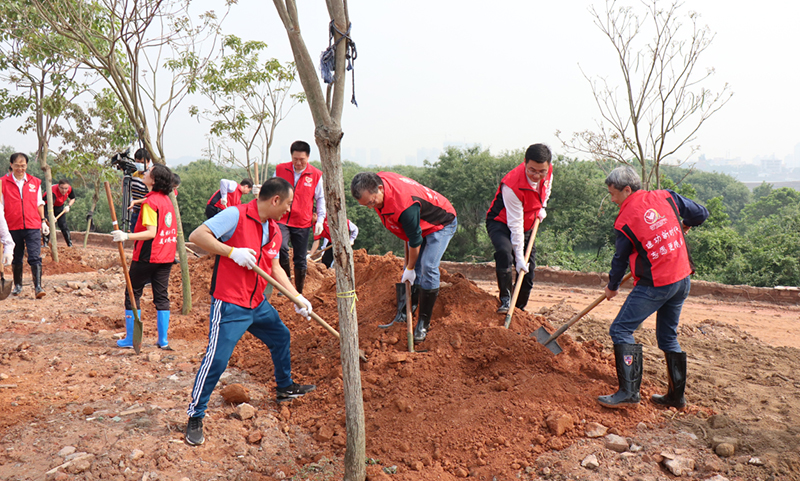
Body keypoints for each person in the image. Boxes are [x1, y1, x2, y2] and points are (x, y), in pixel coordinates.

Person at [184, 177, 316, 446]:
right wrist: (232, 252)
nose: (288, 210)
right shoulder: (235, 215)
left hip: (257, 302)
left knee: (281, 336)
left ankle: (284, 387)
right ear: (275, 200)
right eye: (288, 204)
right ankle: (195, 415)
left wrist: (297, 296)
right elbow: (197, 236)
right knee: (217, 360)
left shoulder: (275, 230)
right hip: (231, 303)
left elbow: (275, 268)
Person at [597, 166, 708, 409]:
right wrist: (686, 223)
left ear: (627, 190)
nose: (612, 199)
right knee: (668, 337)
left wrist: (612, 286)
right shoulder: (666, 196)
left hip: (656, 285)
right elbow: (701, 213)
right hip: (682, 280)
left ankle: (628, 393)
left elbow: (619, 260)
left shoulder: (625, 220)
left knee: (620, 330)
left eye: (613, 194)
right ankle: (676, 397)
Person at [351, 171, 457, 342]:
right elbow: (410, 236)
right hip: (418, 222)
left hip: (441, 222)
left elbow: (415, 241)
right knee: (412, 269)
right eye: (366, 205)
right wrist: (408, 269)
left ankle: (423, 322)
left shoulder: (404, 207)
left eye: (371, 202)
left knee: (427, 266)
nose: (371, 207)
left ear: (380, 188)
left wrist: (410, 268)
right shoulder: (377, 182)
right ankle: (404, 314)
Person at [110, 164, 178, 350]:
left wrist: (126, 236)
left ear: (154, 180)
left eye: (148, 172)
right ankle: (163, 341)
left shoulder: (150, 203)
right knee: (161, 296)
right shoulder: (166, 200)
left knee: (132, 293)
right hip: (167, 255)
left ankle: (132, 339)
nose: (145, 173)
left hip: (149, 255)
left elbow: (150, 233)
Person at [485, 144, 552, 314]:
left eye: (541, 171)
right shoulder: (512, 185)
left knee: (527, 274)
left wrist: (542, 206)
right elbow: (515, 224)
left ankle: (518, 310)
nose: (537, 175)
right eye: (532, 170)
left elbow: (547, 188)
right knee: (505, 252)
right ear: (524, 163)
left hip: (528, 223)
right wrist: (519, 257)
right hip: (501, 222)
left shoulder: (548, 171)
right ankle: (506, 299)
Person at [274, 141, 325, 294]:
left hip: (302, 221)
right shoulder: (280, 169)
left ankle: (299, 291)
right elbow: (271, 187)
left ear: (308, 157)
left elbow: (321, 198)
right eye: (295, 159)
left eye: (301, 159)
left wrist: (321, 219)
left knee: (300, 258)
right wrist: (262, 190)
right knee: (281, 246)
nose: (298, 162)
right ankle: (285, 284)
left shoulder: (315, 175)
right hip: (281, 217)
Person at [1, 153, 48, 299]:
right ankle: (18, 285)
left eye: (23, 166)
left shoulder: (35, 182)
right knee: (16, 257)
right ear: (11, 165)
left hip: (32, 225)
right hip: (12, 226)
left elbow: (39, 203)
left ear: (26, 166)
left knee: (35, 256)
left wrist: (43, 220)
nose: (20, 168)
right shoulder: (3, 182)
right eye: (17, 165)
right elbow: (0, 206)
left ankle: (38, 286)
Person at [44, 179, 76, 247]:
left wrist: (68, 206)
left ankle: (70, 244)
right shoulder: (52, 192)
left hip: (59, 206)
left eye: (66, 188)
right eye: (62, 188)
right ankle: (45, 243)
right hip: (47, 206)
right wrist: (51, 216)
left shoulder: (69, 189)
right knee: (48, 224)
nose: (64, 190)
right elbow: (50, 206)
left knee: (63, 225)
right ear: (58, 186)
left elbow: (73, 198)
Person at [128, 148, 152, 232]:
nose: (140, 165)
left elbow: (152, 198)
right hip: (135, 213)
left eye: (142, 162)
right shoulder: (134, 175)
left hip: (146, 213)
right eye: (138, 162)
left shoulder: (150, 177)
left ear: (148, 162)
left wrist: (136, 202)